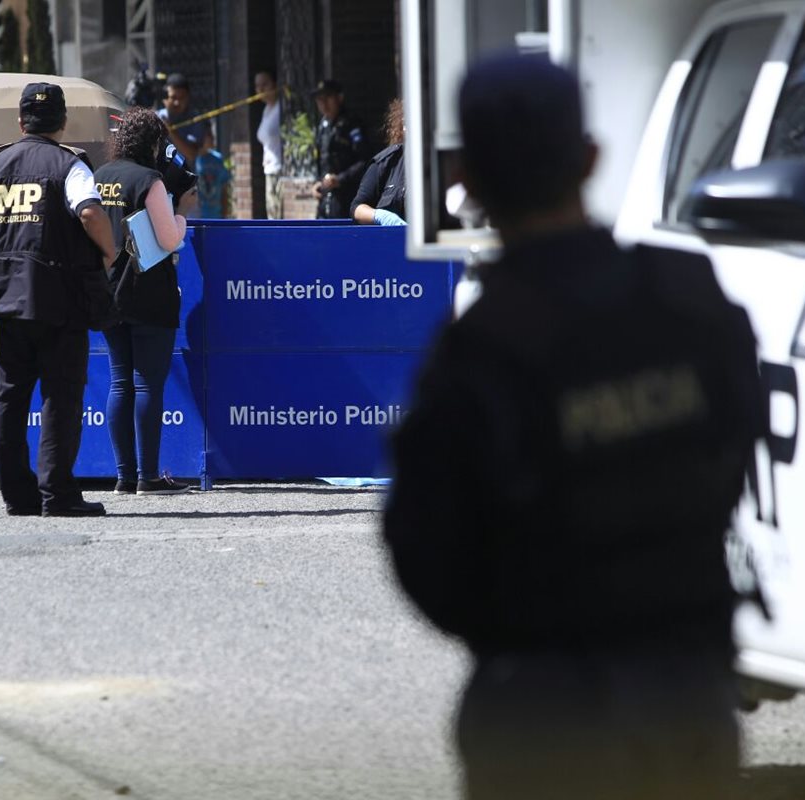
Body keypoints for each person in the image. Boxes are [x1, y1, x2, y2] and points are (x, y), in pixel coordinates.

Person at [381, 54, 762, 800]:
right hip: (686, 697)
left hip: (541, 708)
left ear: (471, 181)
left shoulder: (481, 349)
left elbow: (426, 553)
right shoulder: (688, 301)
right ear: (589, 158)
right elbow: (736, 446)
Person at [0, 82, 117, 517]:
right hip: (61, 300)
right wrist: (110, 253)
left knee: (10, 396)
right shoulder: (70, 164)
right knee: (61, 397)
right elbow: (89, 212)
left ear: (21, 122)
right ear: (62, 121)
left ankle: (17, 497)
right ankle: (57, 495)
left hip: (7, 300)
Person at [94, 107, 193, 496]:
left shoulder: (100, 177)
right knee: (148, 384)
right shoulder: (150, 180)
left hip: (108, 290)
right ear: (153, 143)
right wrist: (182, 218)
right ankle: (148, 477)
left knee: (120, 383)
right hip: (149, 289)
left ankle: (124, 475)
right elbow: (170, 239)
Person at [311, 79, 369, 219]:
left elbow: (364, 160)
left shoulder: (351, 124)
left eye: (328, 98)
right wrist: (317, 182)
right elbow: (320, 159)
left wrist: (340, 179)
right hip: (326, 198)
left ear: (339, 97)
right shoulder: (323, 126)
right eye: (319, 99)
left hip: (346, 195)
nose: (323, 103)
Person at [352, 99, 406, 226]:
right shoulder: (385, 162)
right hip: (389, 242)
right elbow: (357, 208)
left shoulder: (444, 164)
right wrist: (381, 216)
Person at [157, 73, 208, 163]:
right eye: (173, 97)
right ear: (165, 98)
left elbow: (191, 154)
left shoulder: (196, 120)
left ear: (188, 97)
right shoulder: (157, 117)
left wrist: (171, 130)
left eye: (181, 98)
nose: (177, 102)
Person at [254, 71, 283, 219]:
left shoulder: (281, 108)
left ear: (275, 85)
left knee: (278, 216)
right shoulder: (267, 109)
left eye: (265, 84)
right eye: (258, 86)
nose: (261, 90)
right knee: (271, 214)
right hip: (269, 169)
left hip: (279, 170)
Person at [194, 127, 231, 219]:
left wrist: (225, 213)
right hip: (198, 214)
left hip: (216, 213)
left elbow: (224, 188)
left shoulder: (218, 159)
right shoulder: (194, 159)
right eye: (208, 136)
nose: (211, 138)